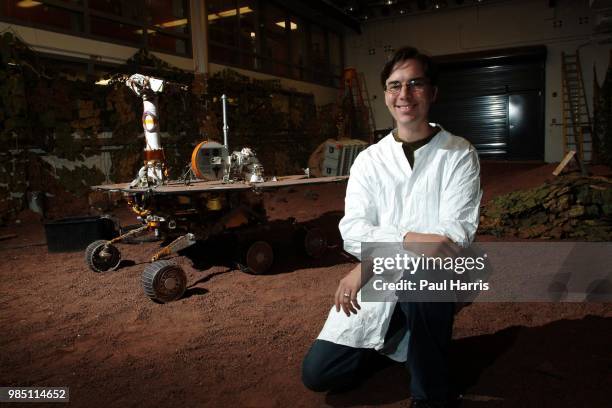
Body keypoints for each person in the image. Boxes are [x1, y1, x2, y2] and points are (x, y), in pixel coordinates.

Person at [301, 46, 482, 408]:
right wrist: (403, 241)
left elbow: (451, 239)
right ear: (385, 95)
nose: (405, 94)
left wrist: (368, 260)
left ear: (432, 92)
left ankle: (431, 394)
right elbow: (352, 230)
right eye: (395, 85)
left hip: (433, 275)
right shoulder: (369, 161)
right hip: (379, 274)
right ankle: (401, 339)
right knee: (320, 374)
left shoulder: (459, 154)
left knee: (423, 279)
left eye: (415, 84)